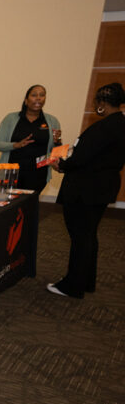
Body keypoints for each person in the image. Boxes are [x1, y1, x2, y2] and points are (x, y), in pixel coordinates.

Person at [47, 82, 125, 299]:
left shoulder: (104, 127)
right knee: (89, 234)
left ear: (102, 103)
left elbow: (81, 157)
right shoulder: (120, 124)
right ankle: (86, 280)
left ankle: (72, 286)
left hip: (86, 189)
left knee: (80, 236)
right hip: (103, 186)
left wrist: (62, 165)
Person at [0, 84, 62, 192]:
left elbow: (57, 152)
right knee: (6, 202)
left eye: (42, 95)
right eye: (34, 95)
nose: (38, 98)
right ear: (26, 100)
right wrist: (16, 145)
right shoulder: (10, 118)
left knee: (30, 202)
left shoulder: (52, 121)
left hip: (38, 174)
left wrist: (57, 142)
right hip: (10, 172)